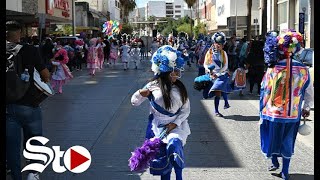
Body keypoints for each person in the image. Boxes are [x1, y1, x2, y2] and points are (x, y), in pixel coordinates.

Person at [259, 30, 314, 180]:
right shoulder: (303, 70)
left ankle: (274, 160)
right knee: (288, 140)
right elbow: (309, 92)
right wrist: (306, 107)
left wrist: (261, 110)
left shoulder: (273, 68)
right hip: (292, 114)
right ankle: (285, 170)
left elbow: (265, 90)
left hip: (273, 113)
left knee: (272, 138)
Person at [131, 45, 191, 180]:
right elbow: (134, 102)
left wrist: (174, 123)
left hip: (176, 126)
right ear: (165, 72)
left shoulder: (180, 88)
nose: (177, 74)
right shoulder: (152, 86)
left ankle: (179, 177)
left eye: (177, 71)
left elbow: (185, 111)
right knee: (164, 165)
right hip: (157, 128)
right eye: (173, 72)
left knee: (174, 147)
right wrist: (141, 93)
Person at [6, 20, 50, 180]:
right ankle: (33, 173)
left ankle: (15, 175)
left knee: (11, 145)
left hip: (8, 107)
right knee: (34, 139)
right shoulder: (30, 50)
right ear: (20, 32)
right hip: (30, 104)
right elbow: (45, 75)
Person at [203, 32, 231, 117]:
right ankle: (225, 102)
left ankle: (216, 111)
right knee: (211, 93)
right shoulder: (209, 53)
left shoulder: (224, 53)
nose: (219, 46)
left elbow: (225, 65)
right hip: (211, 74)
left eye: (221, 44)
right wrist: (210, 71)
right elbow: (205, 64)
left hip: (220, 74)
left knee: (219, 90)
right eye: (217, 44)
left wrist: (218, 73)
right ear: (214, 43)